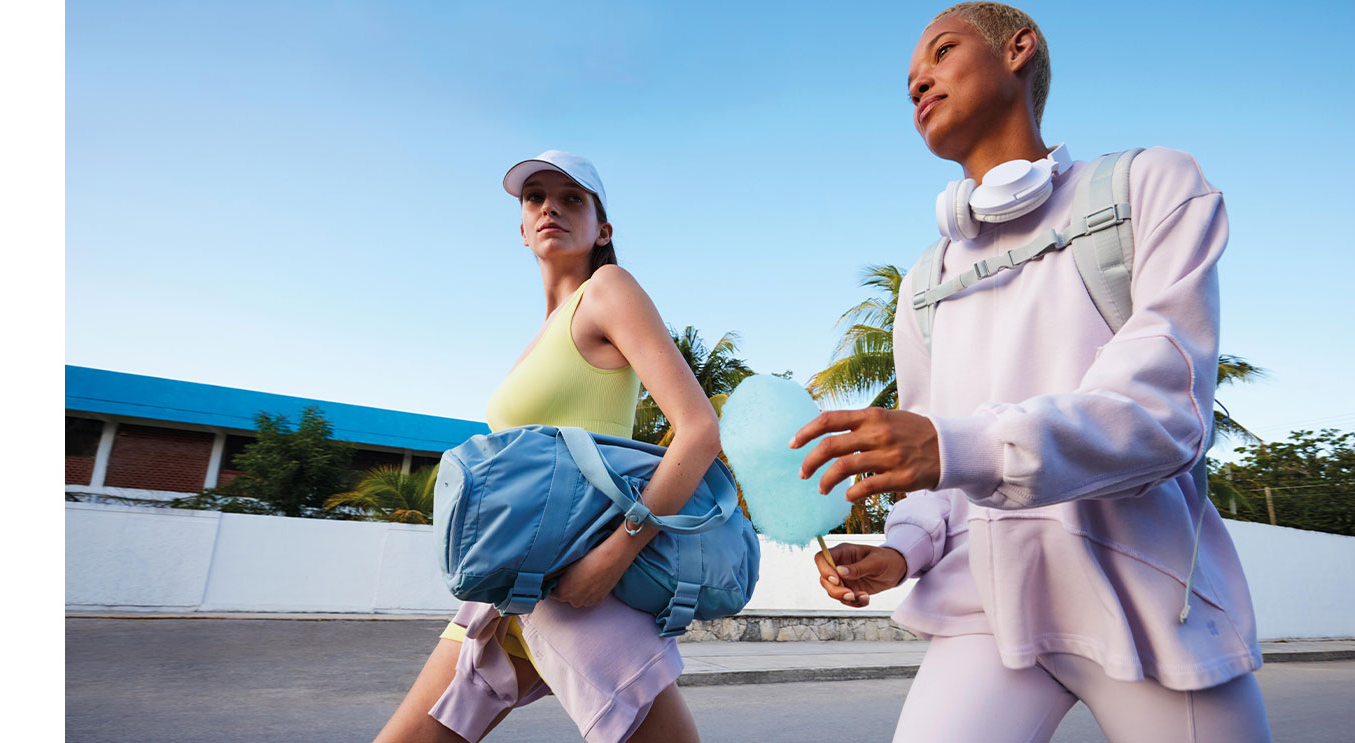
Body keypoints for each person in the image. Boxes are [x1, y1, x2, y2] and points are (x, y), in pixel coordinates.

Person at [792, 4, 1274, 740]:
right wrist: (902, 548)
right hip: (985, 609)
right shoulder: (924, 280)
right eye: (908, 79)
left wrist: (954, 448)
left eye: (942, 51)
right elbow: (937, 476)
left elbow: (1163, 410)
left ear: (1019, 49)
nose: (918, 79)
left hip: (1142, 595)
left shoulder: (1150, 186)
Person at [372, 151, 716, 743]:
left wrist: (610, 561)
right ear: (522, 227)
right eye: (535, 197)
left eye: (572, 197)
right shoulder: (541, 335)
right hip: (511, 592)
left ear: (602, 230)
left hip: (584, 585)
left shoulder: (607, 290)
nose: (550, 205)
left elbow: (699, 430)